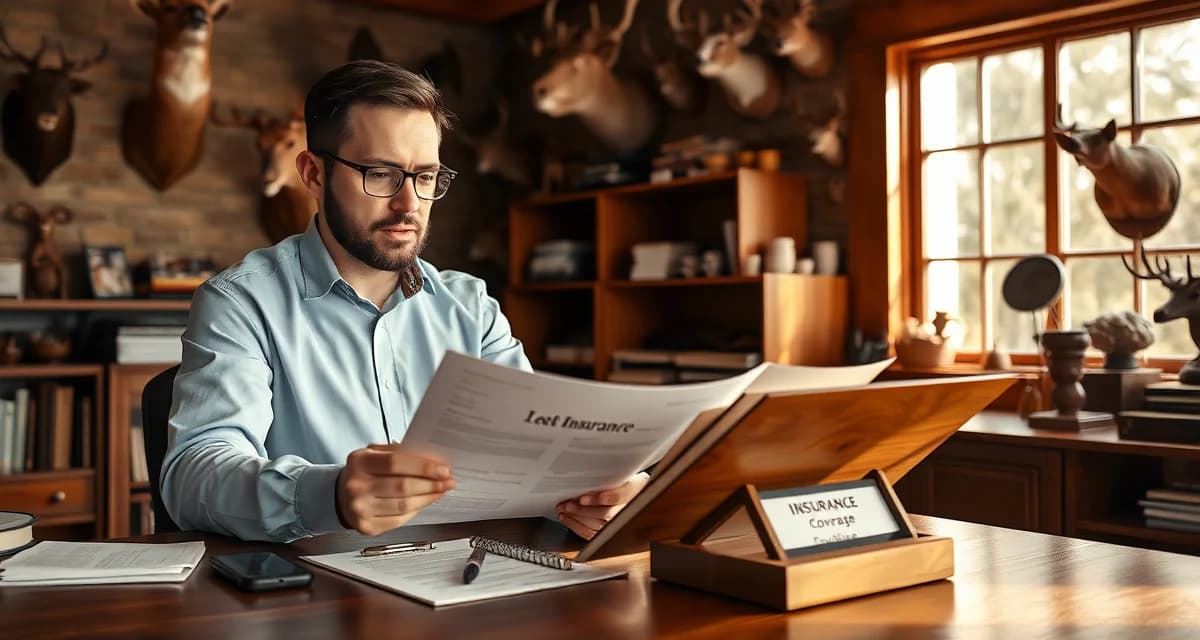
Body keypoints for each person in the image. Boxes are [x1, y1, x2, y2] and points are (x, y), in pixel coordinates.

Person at [161, 60, 646, 543]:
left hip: (470, 576)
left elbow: (536, 457)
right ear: (313, 174)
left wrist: (600, 495)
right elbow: (193, 477)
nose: (409, 204)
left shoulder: (472, 309)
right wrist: (331, 496)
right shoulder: (241, 302)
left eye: (425, 177)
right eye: (381, 174)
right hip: (315, 584)